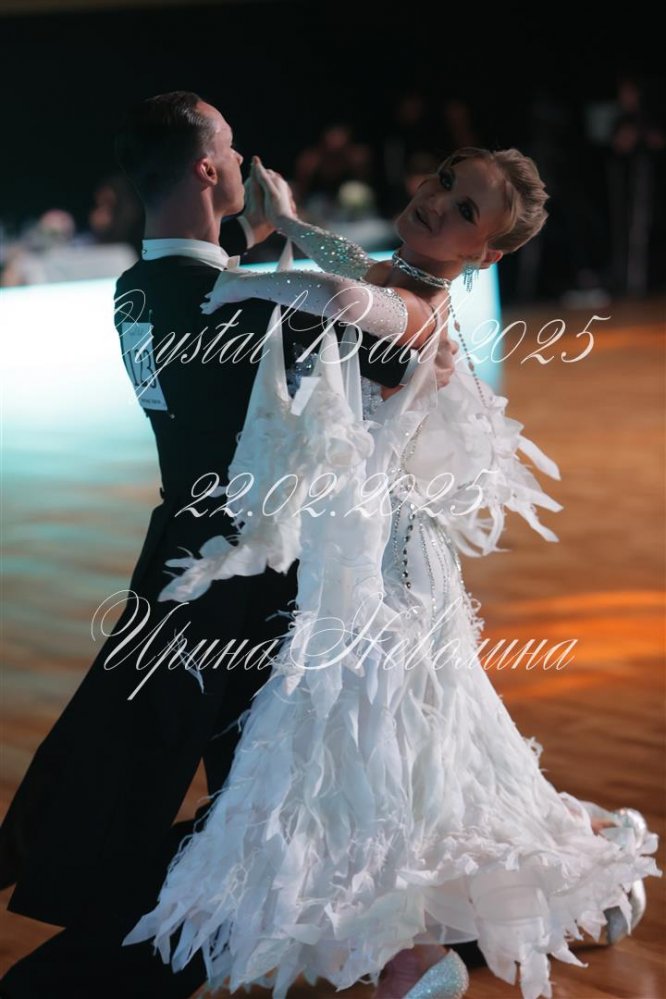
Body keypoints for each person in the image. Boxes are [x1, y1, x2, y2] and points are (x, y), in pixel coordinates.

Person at [122, 150, 662, 999]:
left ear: (483, 254)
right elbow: (346, 262)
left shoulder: (417, 305)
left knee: (387, 732)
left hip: (393, 565)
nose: (437, 202)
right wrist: (287, 222)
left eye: (466, 210)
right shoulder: (396, 271)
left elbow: (342, 297)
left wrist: (235, 282)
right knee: (394, 741)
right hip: (352, 548)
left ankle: (442, 927)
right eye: (445, 180)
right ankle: (424, 930)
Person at [0, 92, 459, 999]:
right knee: (264, 788)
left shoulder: (145, 287)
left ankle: (344, 944)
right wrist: (297, 227)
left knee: (224, 780)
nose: (248, 155)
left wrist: (262, 240)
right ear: (209, 168)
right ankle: (84, 972)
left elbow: (234, 298)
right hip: (250, 581)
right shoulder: (236, 303)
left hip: (184, 558)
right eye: (232, 144)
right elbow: (408, 338)